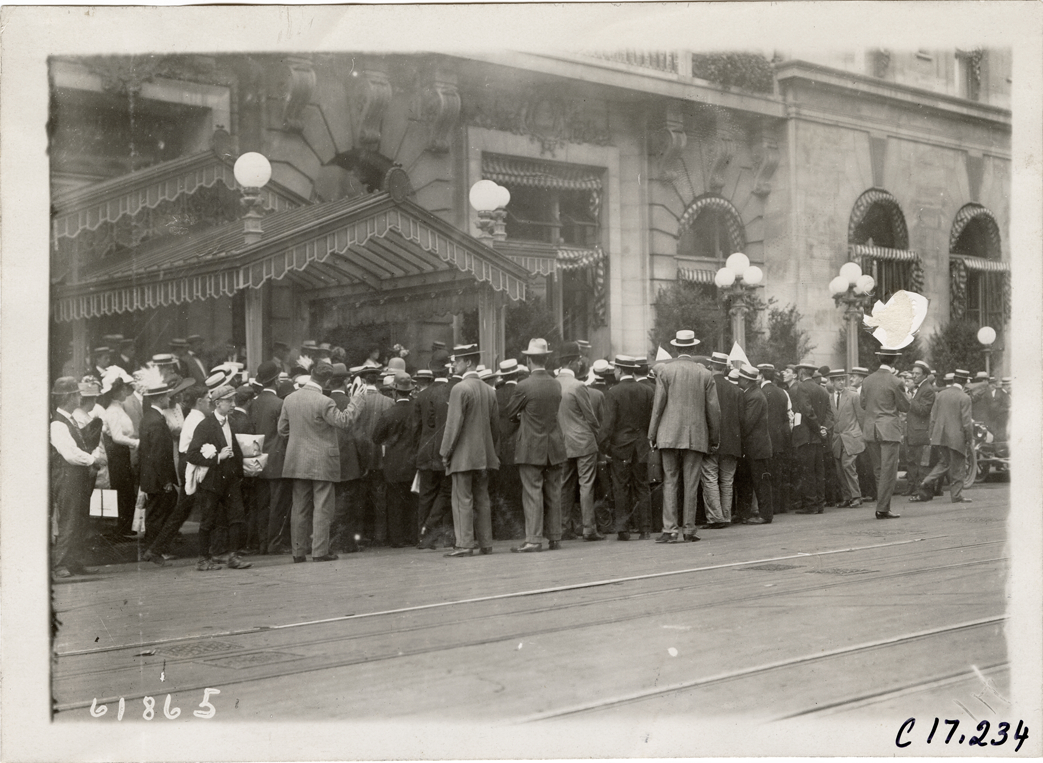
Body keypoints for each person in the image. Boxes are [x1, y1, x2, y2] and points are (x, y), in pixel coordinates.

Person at [278, 361, 363, 563]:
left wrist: (301, 437)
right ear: (326, 380)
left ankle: (298, 552)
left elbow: (282, 429)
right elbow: (344, 421)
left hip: (297, 460)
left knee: (299, 507)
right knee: (322, 507)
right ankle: (319, 551)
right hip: (322, 460)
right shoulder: (324, 402)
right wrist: (357, 401)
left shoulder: (290, 399)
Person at [647, 330, 720, 543]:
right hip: (696, 434)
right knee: (691, 482)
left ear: (677, 348)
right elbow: (713, 411)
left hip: (668, 433)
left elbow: (658, 406)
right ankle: (689, 530)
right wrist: (714, 438)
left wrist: (652, 433)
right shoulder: (705, 374)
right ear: (693, 348)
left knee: (670, 480)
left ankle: (669, 530)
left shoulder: (665, 371)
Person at [440, 344, 499, 557]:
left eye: (458, 360)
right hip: (483, 455)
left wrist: (445, 452)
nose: (454, 364)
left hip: (463, 456)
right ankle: (486, 543)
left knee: (462, 498)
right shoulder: (488, 390)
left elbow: (453, 425)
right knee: (482, 498)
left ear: (469, 363)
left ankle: (465, 544)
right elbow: (495, 427)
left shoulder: (460, 389)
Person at [506, 339, 565, 553]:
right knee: (554, 493)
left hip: (531, 447)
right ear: (546, 358)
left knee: (532, 493)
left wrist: (523, 416)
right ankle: (555, 537)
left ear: (529, 360)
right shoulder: (555, 383)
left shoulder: (524, 386)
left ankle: (533, 539)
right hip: (555, 446)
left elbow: (511, 413)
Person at [186, 385, 252, 570]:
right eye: (229, 401)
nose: (233, 404)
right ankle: (203, 559)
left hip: (230, 479)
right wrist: (217, 457)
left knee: (237, 517)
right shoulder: (205, 425)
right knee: (208, 520)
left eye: (233, 400)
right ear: (217, 403)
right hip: (212, 481)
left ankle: (233, 556)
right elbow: (191, 455)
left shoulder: (233, 421)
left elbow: (235, 448)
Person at [598, 355, 654, 540]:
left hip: (620, 447)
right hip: (641, 445)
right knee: (642, 486)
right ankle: (645, 528)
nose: (614, 372)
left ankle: (623, 529)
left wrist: (605, 446)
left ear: (620, 370)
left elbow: (607, 425)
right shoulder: (646, 391)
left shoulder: (613, 392)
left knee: (620, 487)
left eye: (615, 369)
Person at [50, 377, 100, 579]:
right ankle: (60, 564)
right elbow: (70, 453)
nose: (80, 397)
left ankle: (75, 562)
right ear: (69, 397)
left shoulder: (69, 419)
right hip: (67, 475)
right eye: (77, 394)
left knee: (80, 519)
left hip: (76, 476)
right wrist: (92, 459)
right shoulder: (58, 424)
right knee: (70, 519)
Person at [556, 342, 602, 541]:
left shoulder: (553, 384)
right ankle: (589, 528)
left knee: (564, 486)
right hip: (583, 442)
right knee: (586, 485)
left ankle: (563, 527)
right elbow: (590, 417)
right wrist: (597, 433)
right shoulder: (578, 386)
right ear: (573, 362)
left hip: (562, 442)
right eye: (578, 360)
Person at [860, 349, 910, 519]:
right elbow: (905, 406)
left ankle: (882, 506)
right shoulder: (896, 381)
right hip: (888, 430)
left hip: (871, 430)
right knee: (889, 470)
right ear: (894, 361)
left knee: (879, 470)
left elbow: (863, 404)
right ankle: (882, 508)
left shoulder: (867, 380)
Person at [912, 369, 975, 504]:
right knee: (958, 467)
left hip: (939, 436)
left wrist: (932, 435)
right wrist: (969, 439)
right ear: (965, 382)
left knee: (944, 463)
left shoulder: (940, 394)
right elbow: (966, 422)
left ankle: (926, 480)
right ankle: (956, 496)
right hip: (956, 438)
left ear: (953, 380)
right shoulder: (964, 397)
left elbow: (933, 417)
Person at [372, 372, 419, 548]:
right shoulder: (417, 410)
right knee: (413, 501)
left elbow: (376, 437)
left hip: (393, 464)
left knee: (394, 502)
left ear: (394, 391)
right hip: (414, 462)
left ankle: (397, 539)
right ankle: (413, 536)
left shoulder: (388, 413)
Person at [349, 364, 393, 545]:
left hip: (359, 456)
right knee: (380, 497)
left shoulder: (355, 401)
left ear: (364, 380)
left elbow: (352, 429)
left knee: (359, 499)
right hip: (380, 457)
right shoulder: (388, 402)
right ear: (378, 380)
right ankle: (380, 536)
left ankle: (358, 536)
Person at [415, 350, 454, 549]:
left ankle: (423, 537)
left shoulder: (421, 396)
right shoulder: (452, 392)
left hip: (425, 453)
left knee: (426, 495)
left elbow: (416, 428)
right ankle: (434, 531)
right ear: (448, 370)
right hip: (446, 453)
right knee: (447, 492)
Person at [138, 374, 180, 557]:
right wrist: (166, 481)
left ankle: (154, 548)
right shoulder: (156, 420)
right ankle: (155, 549)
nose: (169, 399)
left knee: (157, 512)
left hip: (152, 476)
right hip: (157, 477)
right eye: (167, 396)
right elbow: (158, 454)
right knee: (158, 513)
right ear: (160, 398)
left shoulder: (151, 417)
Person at [98, 370, 140, 539]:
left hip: (122, 453)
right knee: (121, 489)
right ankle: (120, 527)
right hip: (116, 453)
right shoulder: (113, 411)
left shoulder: (119, 408)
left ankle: (125, 526)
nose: (126, 392)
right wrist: (135, 443)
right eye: (123, 390)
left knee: (126, 489)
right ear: (116, 392)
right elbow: (116, 437)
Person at [702, 352, 743, 527]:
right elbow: (741, 419)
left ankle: (715, 517)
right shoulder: (736, 390)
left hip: (711, 440)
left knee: (710, 478)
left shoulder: (706, 386)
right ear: (726, 368)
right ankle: (726, 516)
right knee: (727, 480)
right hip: (732, 442)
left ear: (711, 366)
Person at [789, 362, 832, 515]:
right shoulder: (822, 390)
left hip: (806, 436)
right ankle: (820, 503)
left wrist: (817, 428)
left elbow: (807, 411)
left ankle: (811, 504)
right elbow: (829, 414)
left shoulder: (802, 387)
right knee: (818, 471)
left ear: (802, 372)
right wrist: (823, 429)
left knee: (807, 472)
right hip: (819, 438)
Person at [735, 365, 773, 524]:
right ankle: (744, 513)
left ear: (746, 380)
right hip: (754, 447)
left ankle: (765, 515)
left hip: (756, 448)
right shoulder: (753, 394)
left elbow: (747, 422)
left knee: (760, 482)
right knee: (747, 481)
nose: (738, 381)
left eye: (740, 379)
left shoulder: (755, 397)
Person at [757, 364, 792, 515]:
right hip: (781, 439)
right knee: (779, 473)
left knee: (767, 474)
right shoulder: (783, 392)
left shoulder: (761, 392)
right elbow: (787, 416)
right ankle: (781, 505)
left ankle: (771, 507)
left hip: (766, 439)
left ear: (762, 376)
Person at [828, 369, 866, 508]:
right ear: (832, 382)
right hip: (838, 438)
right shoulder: (830, 397)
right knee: (840, 468)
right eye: (838, 380)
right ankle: (847, 497)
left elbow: (861, 417)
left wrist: (863, 436)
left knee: (848, 466)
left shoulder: (853, 396)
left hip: (851, 437)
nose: (842, 382)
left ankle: (856, 496)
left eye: (843, 379)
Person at [904, 360, 936, 497]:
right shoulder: (918, 387)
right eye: (913, 373)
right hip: (911, 430)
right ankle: (912, 487)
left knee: (918, 463)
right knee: (911, 461)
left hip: (919, 432)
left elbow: (924, 411)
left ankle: (919, 489)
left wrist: (911, 400)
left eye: (917, 373)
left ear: (925, 375)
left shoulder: (928, 389)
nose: (914, 376)